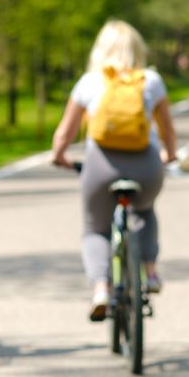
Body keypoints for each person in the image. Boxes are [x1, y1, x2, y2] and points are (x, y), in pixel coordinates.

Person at [51, 20, 179, 322]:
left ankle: (100, 289)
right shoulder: (151, 80)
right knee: (144, 211)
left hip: (100, 165)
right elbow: (167, 130)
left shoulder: (89, 82)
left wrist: (59, 156)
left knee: (96, 228)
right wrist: (169, 155)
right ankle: (150, 272)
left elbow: (64, 133)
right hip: (146, 163)